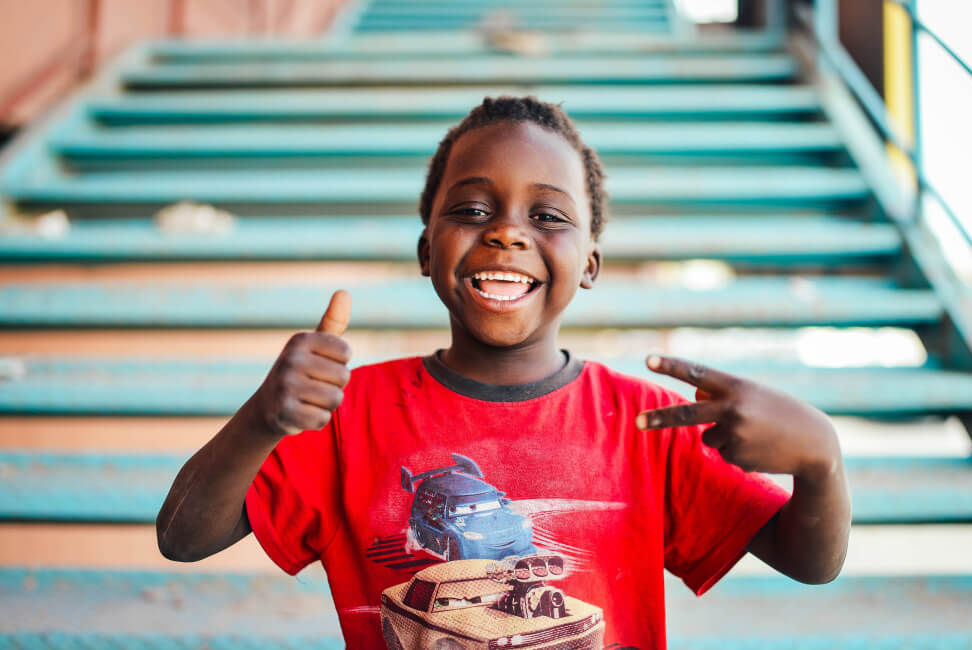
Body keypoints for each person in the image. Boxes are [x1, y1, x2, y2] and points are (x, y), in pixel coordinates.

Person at [156, 96, 851, 648]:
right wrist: (262, 419)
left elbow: (809, 561)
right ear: (427, 250)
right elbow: (183, 538)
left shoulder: (645, 422)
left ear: (590, 264)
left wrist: (821, 459)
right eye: (471, 210)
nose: (506, 231)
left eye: (547, 215)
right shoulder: (350, 412)